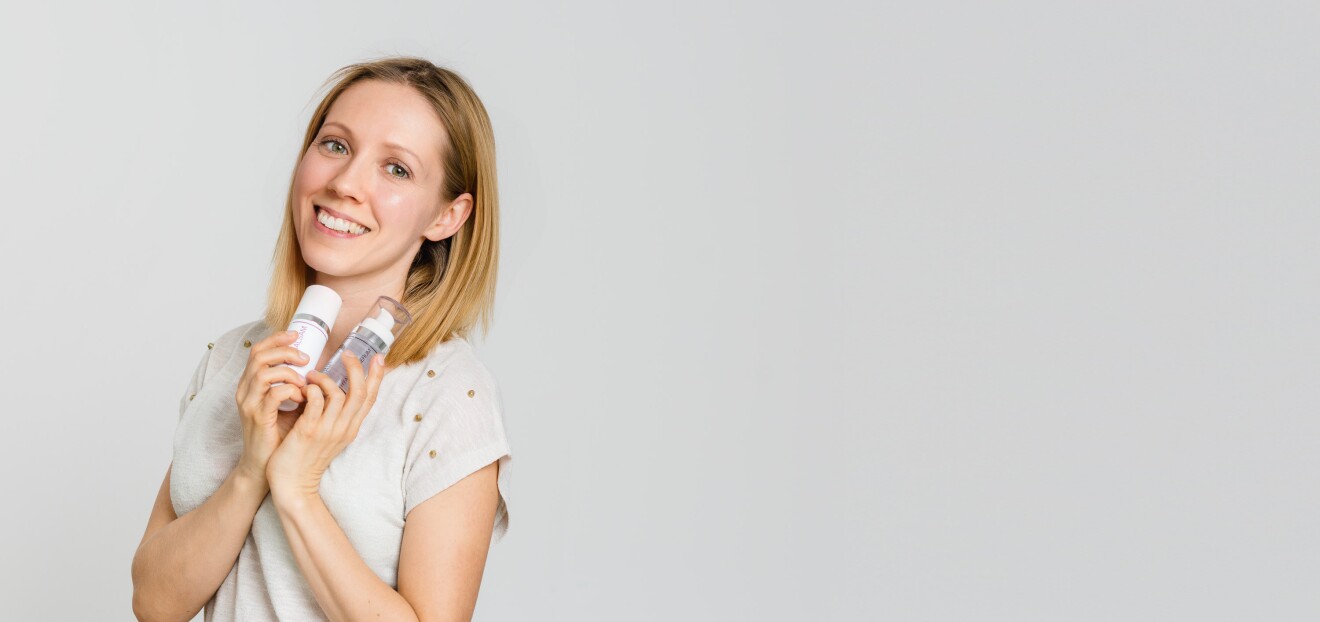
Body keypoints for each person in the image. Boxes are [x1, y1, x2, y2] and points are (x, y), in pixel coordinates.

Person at [130, 56, 512, 622]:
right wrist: (251, 470)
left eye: (397, 169)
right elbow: (154, 604)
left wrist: (298, 488)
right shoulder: (234, 358)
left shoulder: (447, 397)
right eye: (335, 145)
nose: (345, 184)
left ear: (448, 216)